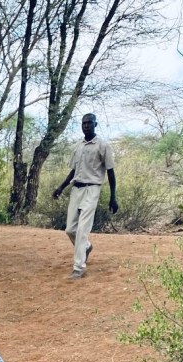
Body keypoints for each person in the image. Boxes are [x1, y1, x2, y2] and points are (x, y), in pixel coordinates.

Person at [53, 113, 118, 280]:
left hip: (92, 189)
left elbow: (110, 172)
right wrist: (61, 187)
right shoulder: (78, 146)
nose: (86, 126)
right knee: (70, 229)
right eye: (84, 123)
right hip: (77, 188)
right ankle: (86, 247)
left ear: (95, 124)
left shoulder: (103, 146)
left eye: (89, 123)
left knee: (82, 229)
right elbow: (73, 171)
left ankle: (78, 267)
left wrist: (113, 197)